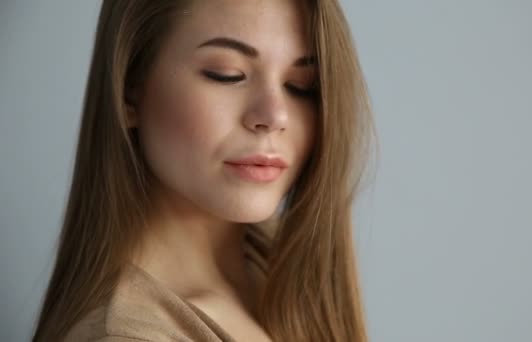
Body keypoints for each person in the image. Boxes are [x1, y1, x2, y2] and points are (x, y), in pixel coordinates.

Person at [32, 0, 376, 340]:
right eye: (227, 75)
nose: (274, 117)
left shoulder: (278, 269)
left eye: (302, 86)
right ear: (128, 91)